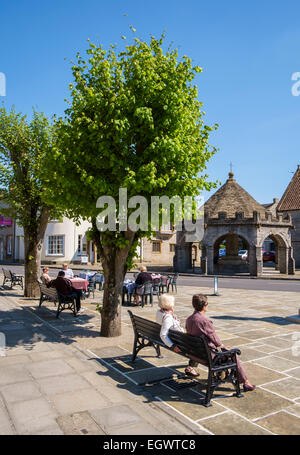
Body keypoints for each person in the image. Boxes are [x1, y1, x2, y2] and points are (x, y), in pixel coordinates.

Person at [185, 294, 255, 392]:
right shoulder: (205, 321)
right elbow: (216, 341)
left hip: (195, 354)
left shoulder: (189, 319)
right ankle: (246, 382)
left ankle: (222, 375)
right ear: (204, 306)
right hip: (208, 356)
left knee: (226, 351)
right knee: (234, 354)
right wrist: (224, 347)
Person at [155, 294, 198, 377]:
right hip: (178, 341)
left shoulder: (160, 312)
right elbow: (163, 335)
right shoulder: (168, 317)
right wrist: (172, 345)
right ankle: (191, 367)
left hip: (175, 337)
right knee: (197, 346)